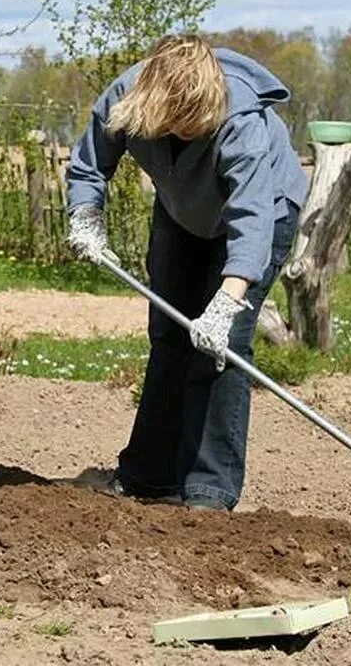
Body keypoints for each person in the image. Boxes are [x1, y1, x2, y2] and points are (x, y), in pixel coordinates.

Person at [65, 34, 307, 512]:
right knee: (171, 337)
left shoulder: (241, 121)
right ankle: (149, 477)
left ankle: (209, 491)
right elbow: (90, 167)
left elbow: (252, 218)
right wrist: (85, 219)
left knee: (223, 348)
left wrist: (227, 302)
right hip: (182, 213)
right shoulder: (124, 99)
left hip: (262, 214)